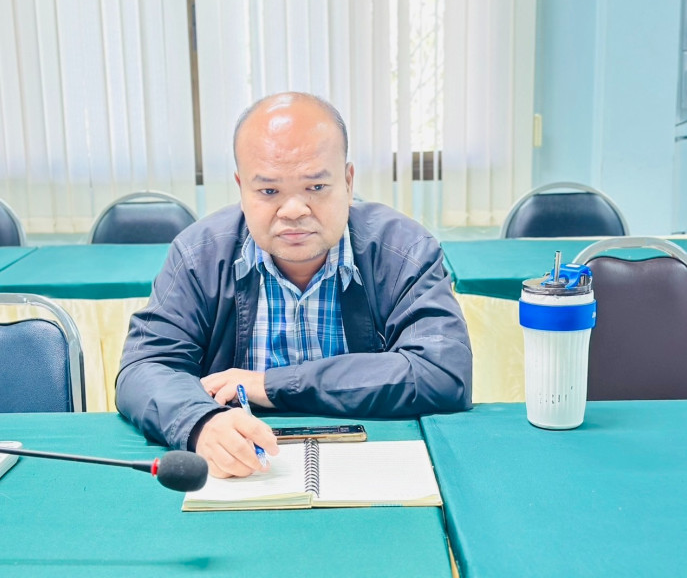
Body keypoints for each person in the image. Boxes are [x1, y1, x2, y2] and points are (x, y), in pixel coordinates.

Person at [116, 92, 472, 478]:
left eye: (316, 187)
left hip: (373, 466)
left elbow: (442, 371)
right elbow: (145, 367)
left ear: (348, 182)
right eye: (269, 191)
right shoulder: (198, 255)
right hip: (243, 474)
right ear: (241, 188)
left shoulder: (403, 251)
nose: (294, 210)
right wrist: (200, 422)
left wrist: (271, 385)